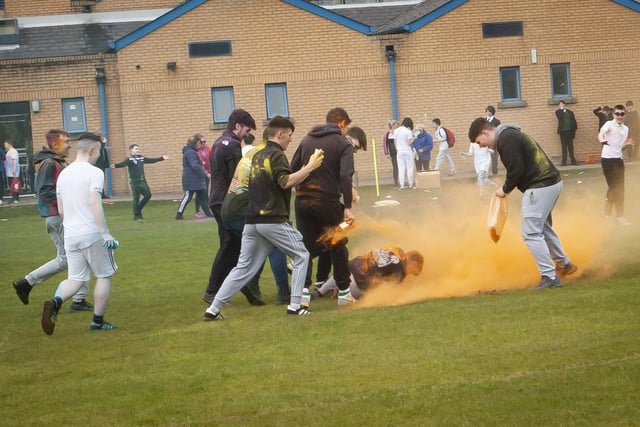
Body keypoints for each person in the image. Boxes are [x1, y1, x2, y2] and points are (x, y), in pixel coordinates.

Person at [203, 116, 324, 320]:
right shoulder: (276, 155)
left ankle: (213, 309)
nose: (290, 140)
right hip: (271, 219)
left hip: (251, 220)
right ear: (280, 134)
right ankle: (295, 305)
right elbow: (285, 182)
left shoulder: (256, 154)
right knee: (302, 255)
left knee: (244, 267)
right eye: (289, 136)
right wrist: (310, 167)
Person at [468, 118, 578, 289]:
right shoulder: (509, 135)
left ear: (485, 133)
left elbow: (516, 169)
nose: (481, 146)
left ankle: (549, 277)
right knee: (542, 228)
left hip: (540, 186)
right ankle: (564, 264)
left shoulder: (506, 139)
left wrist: (504, 190)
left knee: (530, 232)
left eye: (479, 142)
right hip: (551, 183)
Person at [41, 132, 119, 335]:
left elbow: (61, 209)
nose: (98, 156)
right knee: (104, 275)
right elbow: (95, 202)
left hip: (71, 233)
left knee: (76, 279)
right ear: (92, 150)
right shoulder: (95, 173)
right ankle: (98, 322)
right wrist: (105, 233)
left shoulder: (64, 173)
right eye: (99, 152)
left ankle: (55, 302)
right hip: (91, 233)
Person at [12, 130, 93, 311]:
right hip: (58, 217)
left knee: (78, 257)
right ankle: (27, 282)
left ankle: (79, 300)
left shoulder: (54, 162)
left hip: (60, 216)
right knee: (69, 259)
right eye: (66, 142)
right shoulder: (49, 163)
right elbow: (45, 191)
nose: (69, 145)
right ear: (55, 145)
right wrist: (69, 202)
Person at [291, 107, 356, 307]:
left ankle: (302, 295)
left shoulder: (306, 140)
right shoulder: (343, 144)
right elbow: (345, 176)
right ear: (342, 123)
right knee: (338, 243)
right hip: (328, 202)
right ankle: (344, 293)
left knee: (306, 248)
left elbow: (293, 168)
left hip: (302, 201)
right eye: (347, 127)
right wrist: (348, 206)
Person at [203, 109, 256, 302]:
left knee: (230, 244)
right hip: (225, 201)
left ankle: (226, 287)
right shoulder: (233, 145)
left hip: (216, 198)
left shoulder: (218, 142)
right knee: (230, 245)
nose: (246, 135)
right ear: (237, 126)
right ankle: (213, 290)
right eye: (246, 130)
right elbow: (237, 176)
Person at [312, 246, 424, 300]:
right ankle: (343, 291)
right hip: (356, 284)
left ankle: (321, 291)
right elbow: (384, 291)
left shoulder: (395, 249)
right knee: (371, 296)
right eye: (414, 272)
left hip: (346, 269)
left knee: (344, 273)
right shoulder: (400, 272)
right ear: (414, 262)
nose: (410, 275)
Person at [111, 144, 168, 220]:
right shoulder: (129, 159)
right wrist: (115, 165)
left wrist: (162, 158)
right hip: (135, 182)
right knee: (136, 198)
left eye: (138, 149)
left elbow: (151, 160)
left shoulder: (141, 158)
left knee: (148, 195)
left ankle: (138, 210)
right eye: (136, 149)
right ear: (131, 150)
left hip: (142, 181)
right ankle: (137, 216)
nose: (137, 150)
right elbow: (122, 164)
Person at [598, 104, 633, 226]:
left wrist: (626, 144)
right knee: (613, 188)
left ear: (625, 115)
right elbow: (601, 133)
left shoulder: (626, 129)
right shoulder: (609, 125)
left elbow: (620, 148)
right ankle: (606, 215)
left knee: (621, 189)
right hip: (607, 160)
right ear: (613, 114)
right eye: (617, 114)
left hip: (619, 160)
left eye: (622, 114)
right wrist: (602, 139)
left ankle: (620, 217)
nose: (619, 116)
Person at [175, 134, 212, 220]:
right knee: (187, 197)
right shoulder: (190, 153)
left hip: (196, 179)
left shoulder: (192, 151)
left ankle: (208, 213)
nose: (201, 144)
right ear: (194, 143)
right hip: (190, 180)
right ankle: (179, 214)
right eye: (199, 143)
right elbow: (195, 165)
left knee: (202, 197)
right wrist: (206, 173)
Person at [394, 117, 416, 189]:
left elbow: (395, 142)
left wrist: (397, 149)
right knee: (409, 168)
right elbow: (409, 142)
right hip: (407, 150)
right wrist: (414, 138)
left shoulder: (396, 130)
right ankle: (410, 184)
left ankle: (402, 185)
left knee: (401, 168)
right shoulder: (408, 131)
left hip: (399, 151)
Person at [555, 100, 578, 166]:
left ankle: (573, 161)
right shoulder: (558, 112)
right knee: (564, 146)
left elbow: (574, 120)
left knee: (571, 146)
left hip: (570, 131)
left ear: (564, 104)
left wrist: (574, 129)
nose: (561, 105)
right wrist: (562, 110)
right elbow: (559, 117)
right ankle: (564, 162)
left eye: (562, 104)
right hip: (562, 132)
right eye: (560, 104)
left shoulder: (570, 112)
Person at [194, 134, 211, 219]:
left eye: (205, 141)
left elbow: (211, 158)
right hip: (200, 174)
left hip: (207, 172)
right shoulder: (195, 150)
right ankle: (197, 211)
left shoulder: (208, 148)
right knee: (200, 192)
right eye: (202, 142)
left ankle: (207, 210)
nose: (204, 143)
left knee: (205, 192)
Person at [93, 130, 111, 199]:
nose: (103, 137)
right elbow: (98, 150)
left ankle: (102, 193)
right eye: (101, 135)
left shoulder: (100, 144)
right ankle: (99, 194)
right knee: (98, 179)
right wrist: (103, 143)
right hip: (97, 164)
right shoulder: (96, 143)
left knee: (102, 178)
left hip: (102, 164)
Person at [383, 119, 400, 187]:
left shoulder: (399, 132)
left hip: (400, 151)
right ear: (392, 125)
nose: (397, 126)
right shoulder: (387, 134)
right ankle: (396, 182)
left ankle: (402, 181)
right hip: (393, 153)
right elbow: (385, 144)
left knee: (401, 167)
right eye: (396, 125)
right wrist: (386, 153)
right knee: (395, 167)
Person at [486, 106, 501, 175]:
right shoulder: (483, 120)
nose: (488, 112)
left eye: (489, 111)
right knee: (485, 157)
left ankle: (494, 172)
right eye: (487, 111)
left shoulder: (497, 121)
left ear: (492, 112)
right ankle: (485, 172)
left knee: (494, 158)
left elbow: (499, 131)